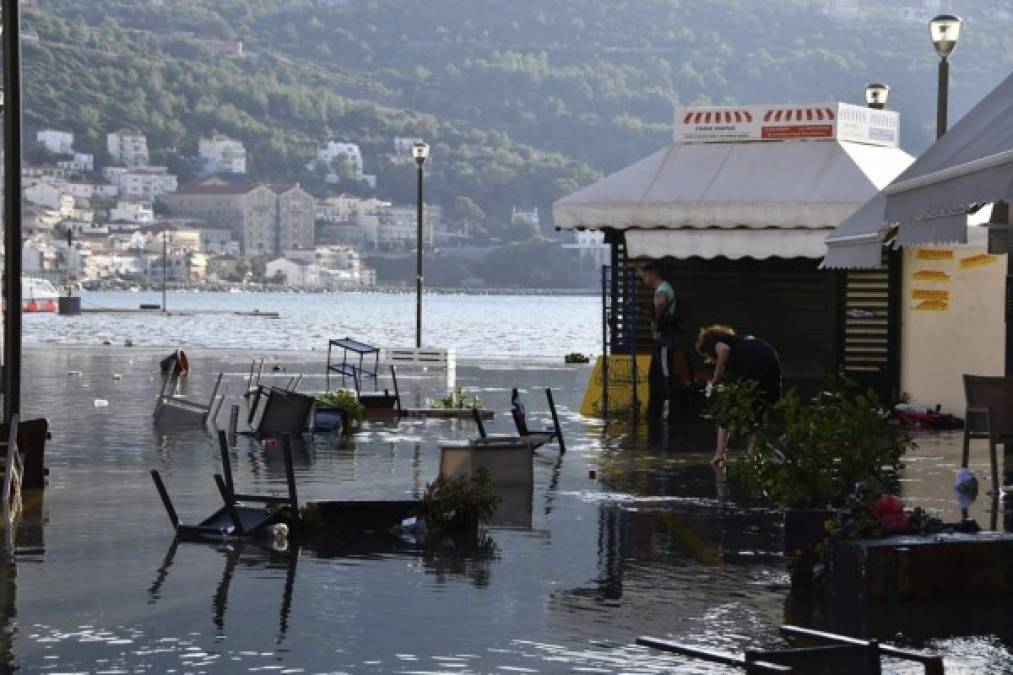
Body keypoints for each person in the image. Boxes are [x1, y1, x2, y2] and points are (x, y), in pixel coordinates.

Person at [696, 325, 782, 466]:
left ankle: (719, 454)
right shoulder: (738, 341)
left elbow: (724, 350)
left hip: (752, 362)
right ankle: (752, 454)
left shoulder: (716, 343)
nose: (710, 360)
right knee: (758, 408)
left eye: (708, 357)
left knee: (725, 410)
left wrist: (716, 377)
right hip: (769, 357)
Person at [637, 262, 677, 419]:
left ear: (654, 274)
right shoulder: (663, 287)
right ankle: (660, 407)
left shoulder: (662, 290)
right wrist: (637, 267)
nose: (644, 278)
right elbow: (644, 274)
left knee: (664, 373)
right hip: (661, 339)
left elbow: (660, 304)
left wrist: (655, 317)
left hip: (664, 340)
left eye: (646, 275)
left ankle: (667, 409)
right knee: (657, 373)